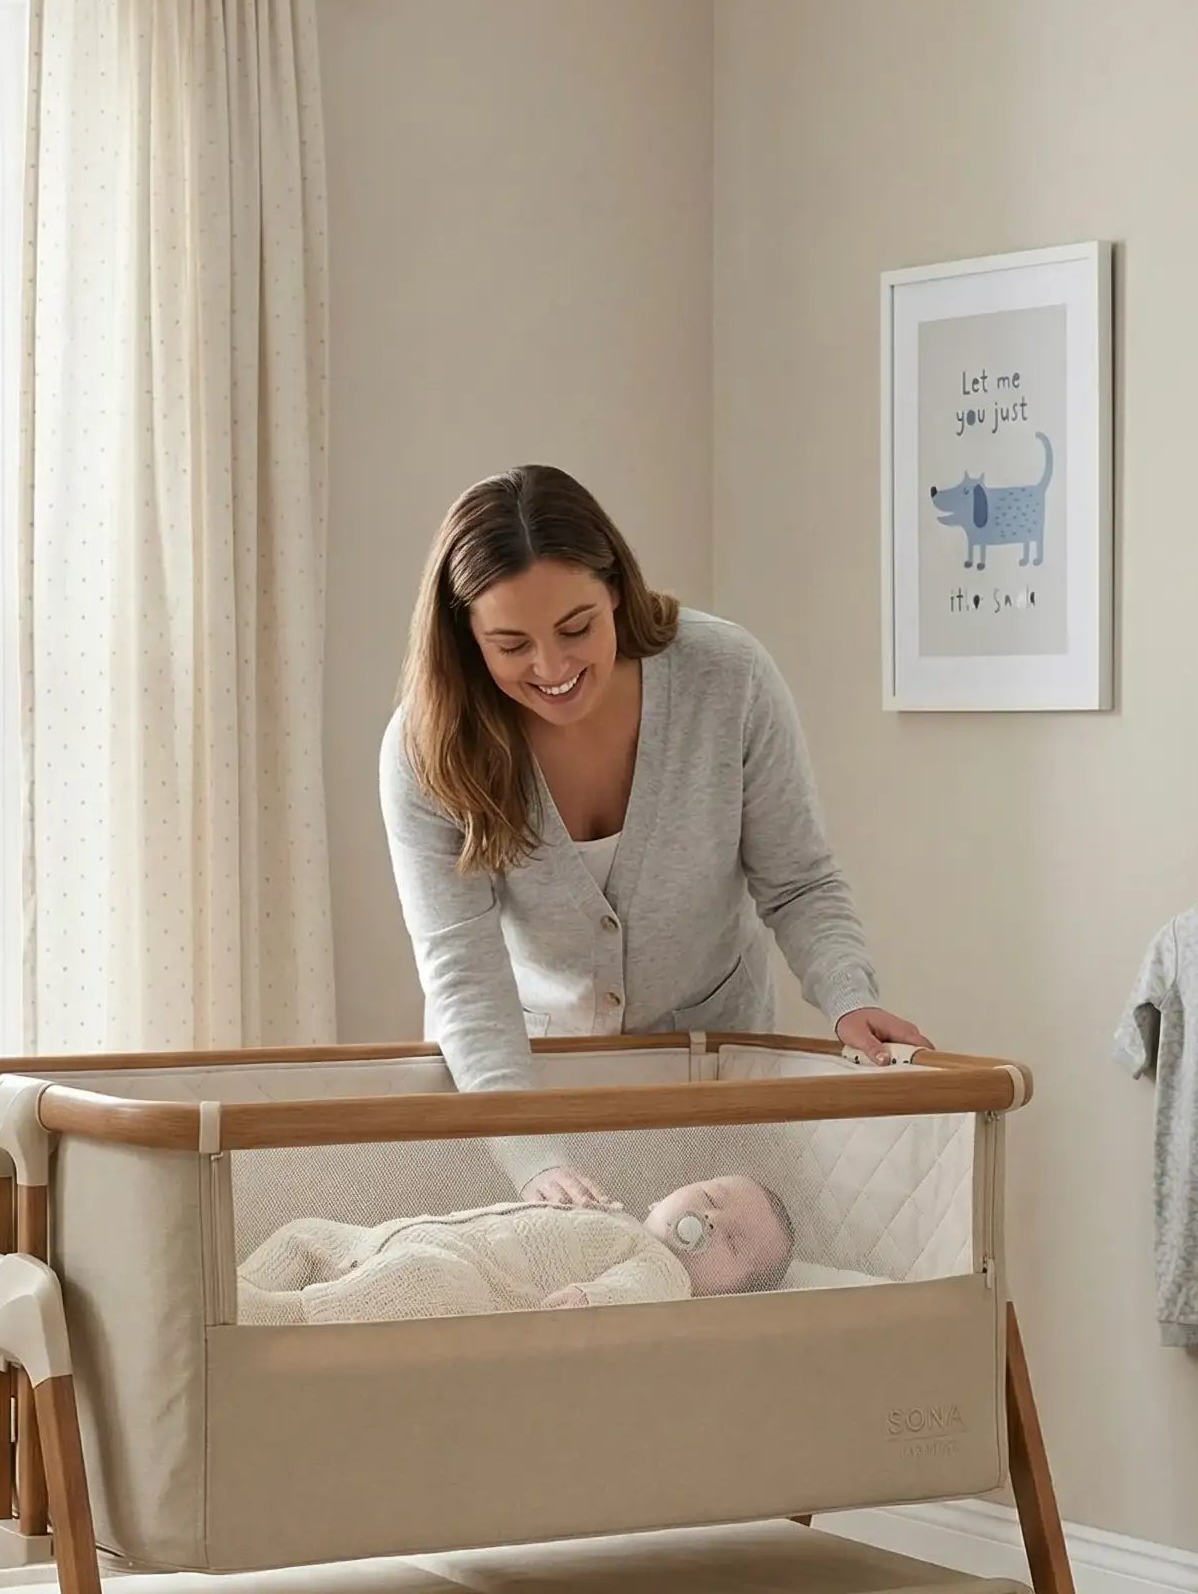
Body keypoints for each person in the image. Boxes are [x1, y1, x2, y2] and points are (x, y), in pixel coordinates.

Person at [380, 464, 929, 1202]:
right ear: (465, 637)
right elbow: (464, 978)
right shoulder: (429, 748)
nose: (552, 667)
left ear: (615, 588)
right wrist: (532, 1157)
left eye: (577, 628)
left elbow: (797, 881)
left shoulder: (725, 677)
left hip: (714, 1075)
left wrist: (847, 995)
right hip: (522, 1085)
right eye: (512, 645)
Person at [236, 1173, 796, 1326]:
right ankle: (237, 1284)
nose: (712, 1220)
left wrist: (585, 1304)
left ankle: (278, 1315)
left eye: (734, 1242)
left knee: (423, 1283)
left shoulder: (665, 1273)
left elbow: (632, 1297)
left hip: (460, 1276)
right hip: (405, 1233)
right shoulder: (612, 1213)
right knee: (305, 1231)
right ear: (664, 1197)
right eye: (711, 1197)